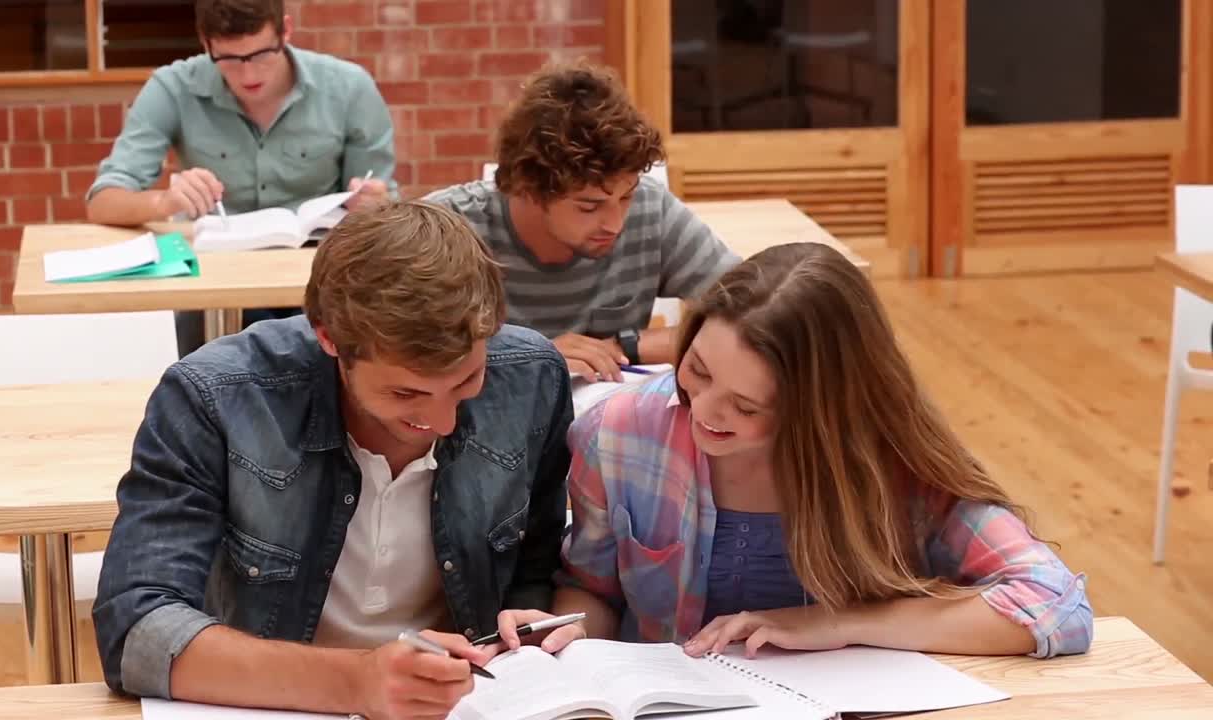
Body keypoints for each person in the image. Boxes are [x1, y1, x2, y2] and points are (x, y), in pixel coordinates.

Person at [494, 242, 1093, 661]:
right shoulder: (619, 432)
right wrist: (569, 631)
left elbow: (1055, 606)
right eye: (697, 370)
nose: (704, 412)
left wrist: (836, 624)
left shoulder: (891, 463)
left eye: (747, 406)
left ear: (821, 412)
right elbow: (594, 588)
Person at [93, 201, 573, 720]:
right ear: (328, 338)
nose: (443, 422)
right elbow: (136, 629)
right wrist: (356, 681)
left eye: (466, 381)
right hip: (272, 706)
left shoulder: (532, 378)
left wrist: (531, 629)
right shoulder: (216, 396)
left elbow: (537, 570)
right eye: (405, 393)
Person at [85, 0, 397, 350]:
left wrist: (373, 203)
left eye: (261, 55)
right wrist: (165, 201)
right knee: (211, 364)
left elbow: (382, 210)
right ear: (206, 44)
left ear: (285, 31)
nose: (248, 75)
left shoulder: (349, 87)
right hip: (216, 289)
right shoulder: (173, 87)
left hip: (318, 282)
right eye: (229, 59)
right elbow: (103, 202)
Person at [424, 61, 740, 383]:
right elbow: (401, 350)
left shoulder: (650, 208)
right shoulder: (447, 229)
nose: (615, 224)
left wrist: (626, 346)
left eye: (626, 197)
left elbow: (754, 310)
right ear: (528, 189)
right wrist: (531, 357)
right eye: (590, 206)